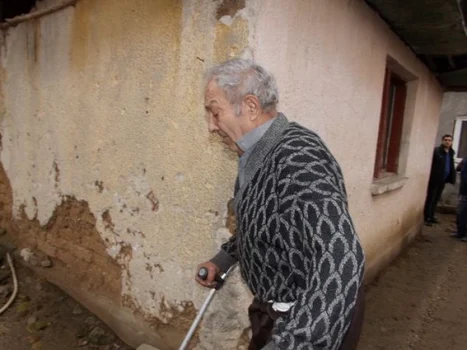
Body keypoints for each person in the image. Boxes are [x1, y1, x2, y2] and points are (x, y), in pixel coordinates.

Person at [196, 58, 365, 350]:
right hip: (272, 314)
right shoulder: (255, 155)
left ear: (249, 107)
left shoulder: (299, 158)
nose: (212, 127)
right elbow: (266, 224)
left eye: (215, 112)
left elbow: (342, 257)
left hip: (304, 322)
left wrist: (299, 341)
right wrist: (223, 260)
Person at [423, 134, 456, 226]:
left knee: (437, 198)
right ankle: (427, 217)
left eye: (449, 140)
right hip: (435, 178)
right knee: (431, 197)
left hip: (443, 179)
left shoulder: (451, 152)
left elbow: (450, 165)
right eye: (445, 140)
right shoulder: (437, 151)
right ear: (442, 141)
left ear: (452, 142)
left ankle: (432, 216)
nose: (447, 141)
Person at [452, 158, 467, 241]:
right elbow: (459, 169)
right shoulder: (465, 160)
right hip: (463, 191)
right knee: (460, 212)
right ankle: (460, 232)